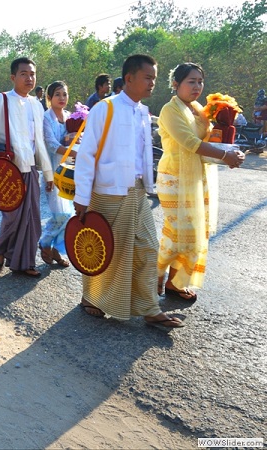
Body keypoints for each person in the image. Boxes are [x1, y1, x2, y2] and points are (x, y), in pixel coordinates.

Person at [73, 54, 184, 328]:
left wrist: (150, 185)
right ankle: (91, 297)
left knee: (148, 248)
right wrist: (81, 198)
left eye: (154, 78)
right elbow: (86, 155)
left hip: (136, 191)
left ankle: (148, 307)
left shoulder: (143, 112)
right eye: (148, 78)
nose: (152, 83)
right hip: (107, 191)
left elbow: (144, 154)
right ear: (130, 78)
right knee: (106, 250)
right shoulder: (105, 108)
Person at [156, 62, 245, 302]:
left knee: (193, 233)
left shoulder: (199, 109)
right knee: (177, 232)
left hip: (196, 176)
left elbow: (209, 140)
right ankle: (154, 275)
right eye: (191, 81)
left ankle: (175, 283)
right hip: (173, 178)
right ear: (176, 84)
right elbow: (190, 143)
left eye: (200, 81)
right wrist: (226, 156)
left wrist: (229, 144)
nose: (197, 86)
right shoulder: (169, 110)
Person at [0, 57, 54, 277]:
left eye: (32, 74)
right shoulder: (0, 100)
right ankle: (1, 252)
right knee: (13, 218)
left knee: (32, 218)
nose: (29, 78)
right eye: (24, 74)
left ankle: (25, 262)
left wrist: (48, 173)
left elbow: (39, 141)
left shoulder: (36, 105)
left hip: (30, 169)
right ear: (13, 77)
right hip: (8, 170)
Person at [40, 81, 76, 267]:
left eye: (65, 94)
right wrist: (73, 151)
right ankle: (45, 243)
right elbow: (51, 144)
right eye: (57, 94)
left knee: (69, 214)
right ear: (49, 98)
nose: (62, 98)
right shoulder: (46, 117)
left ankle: (56, 250)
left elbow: (74, 138)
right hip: (52, 171)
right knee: (60, 214)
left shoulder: (70, 116)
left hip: (69, 172)